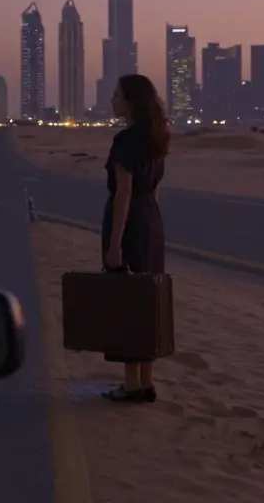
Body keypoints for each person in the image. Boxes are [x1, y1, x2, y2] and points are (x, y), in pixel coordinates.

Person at [100, 74, 170, 404]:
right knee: (146, 301)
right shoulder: (157, 136)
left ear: (129, 102)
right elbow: (154, 189)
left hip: (130, 225)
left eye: (116, 95)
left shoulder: (125, 141)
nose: (111, 100)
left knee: (127, 302)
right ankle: (146, 381)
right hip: (151, 223)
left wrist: (114, 244)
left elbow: (123, 195)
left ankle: (130, 384)